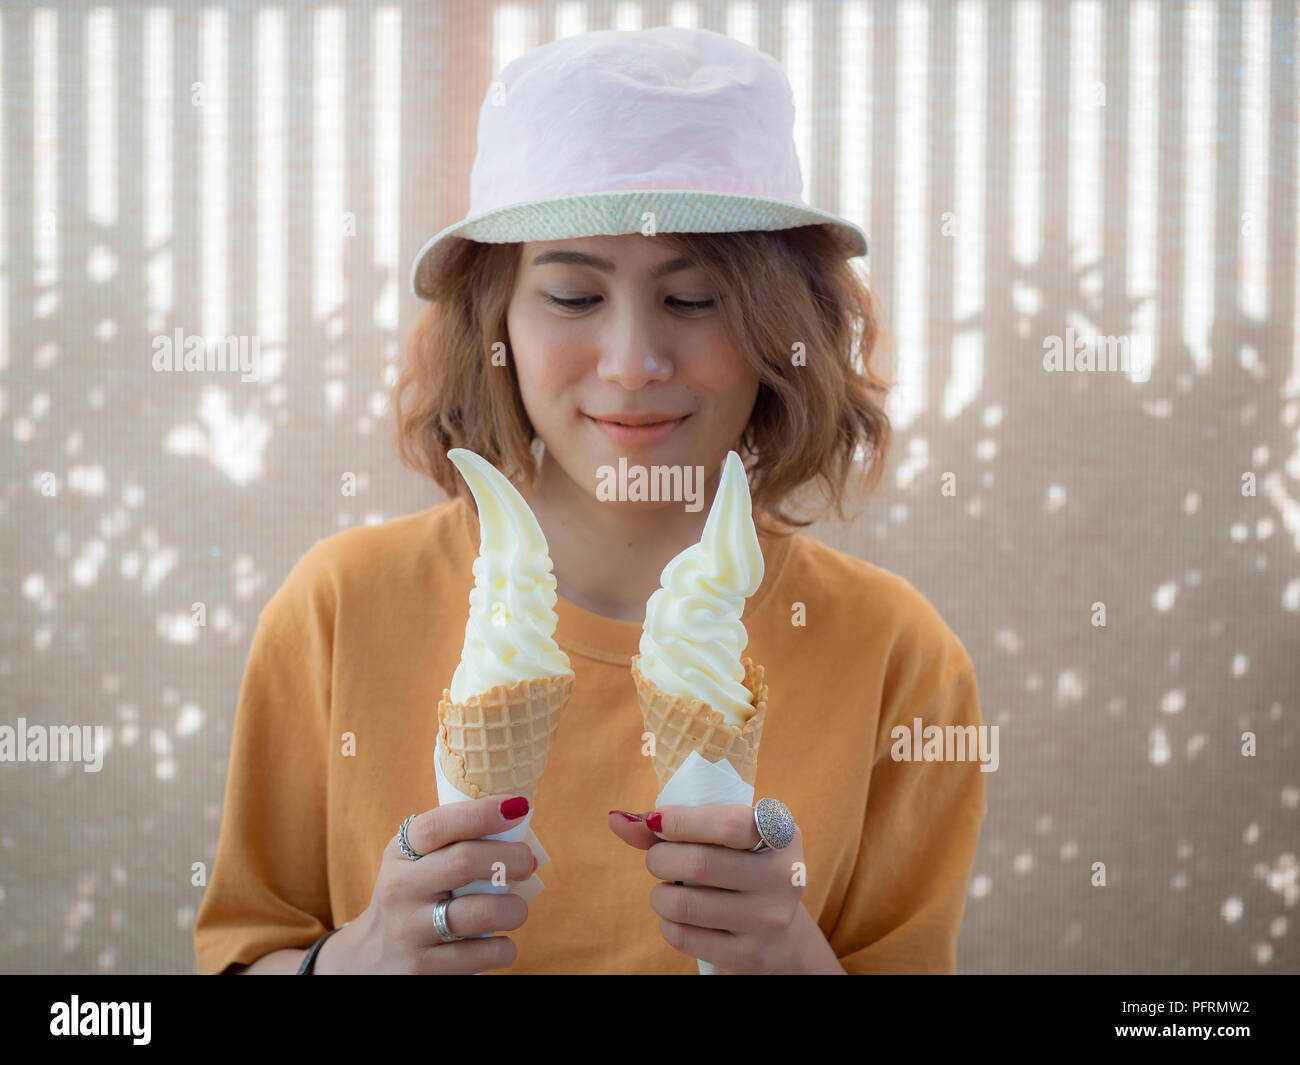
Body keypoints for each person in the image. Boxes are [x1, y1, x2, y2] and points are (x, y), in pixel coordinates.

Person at [193, 25, 985, 976]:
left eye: (693, 301)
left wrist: (795, 963)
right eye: (572, 296)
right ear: (498, 322)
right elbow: (240, 955)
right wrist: (350, 962)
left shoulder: (900, 654)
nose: (632, 365)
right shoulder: (339, 605)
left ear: (784, 331)